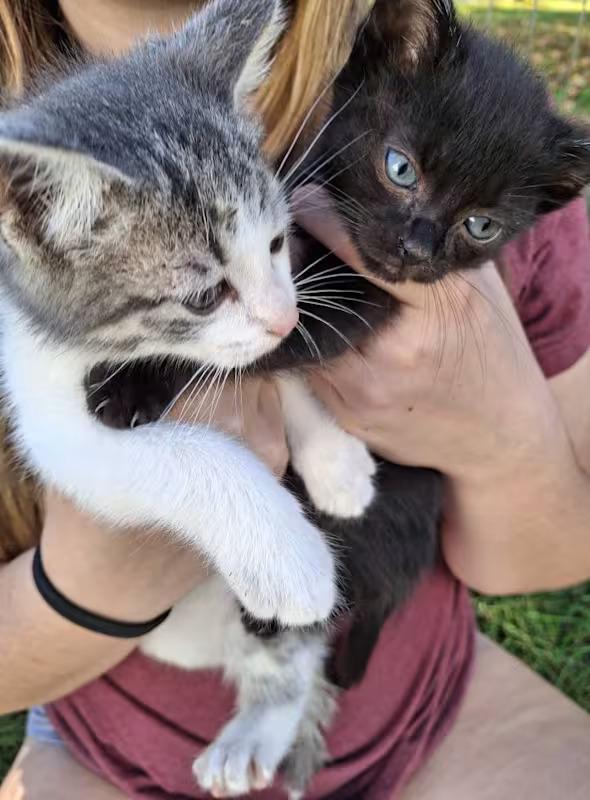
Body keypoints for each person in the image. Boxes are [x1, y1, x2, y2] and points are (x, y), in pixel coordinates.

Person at [1, 1, 590, 798]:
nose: (285, 314)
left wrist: (501, 426)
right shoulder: (52, 211)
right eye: (404, 175)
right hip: (103, 752)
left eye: (279, 242)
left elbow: (547, 559)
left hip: (434, 708)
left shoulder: (446, 125)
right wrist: (87, 592)